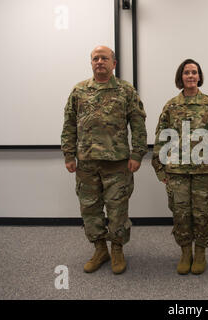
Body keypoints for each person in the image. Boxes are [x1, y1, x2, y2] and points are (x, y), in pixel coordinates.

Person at [61, 45, 147, 274]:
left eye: (104, 58)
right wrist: (69, 154)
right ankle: (100, 249)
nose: (99, 61)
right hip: (86, 163)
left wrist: (137, 153)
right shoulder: (79, 91)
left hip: (117, 163)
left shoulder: (126, 90)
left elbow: (138, 123)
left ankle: (117, 249)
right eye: (95, 58)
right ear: (91, 63)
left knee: (118, 209)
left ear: (114, 63)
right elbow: (69, 123)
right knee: (90, 208)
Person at [152, 59, 208, 275]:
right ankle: (186, 252)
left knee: (203, 214)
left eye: (194, 72)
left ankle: (200, 252)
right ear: (181, 77)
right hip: (176, 171)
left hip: (205, 170)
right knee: (181, 213)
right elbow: (161, 137)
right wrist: (160, 167)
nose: (191, 76)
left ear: (199, 76)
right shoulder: (171, 106)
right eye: (187, 72)